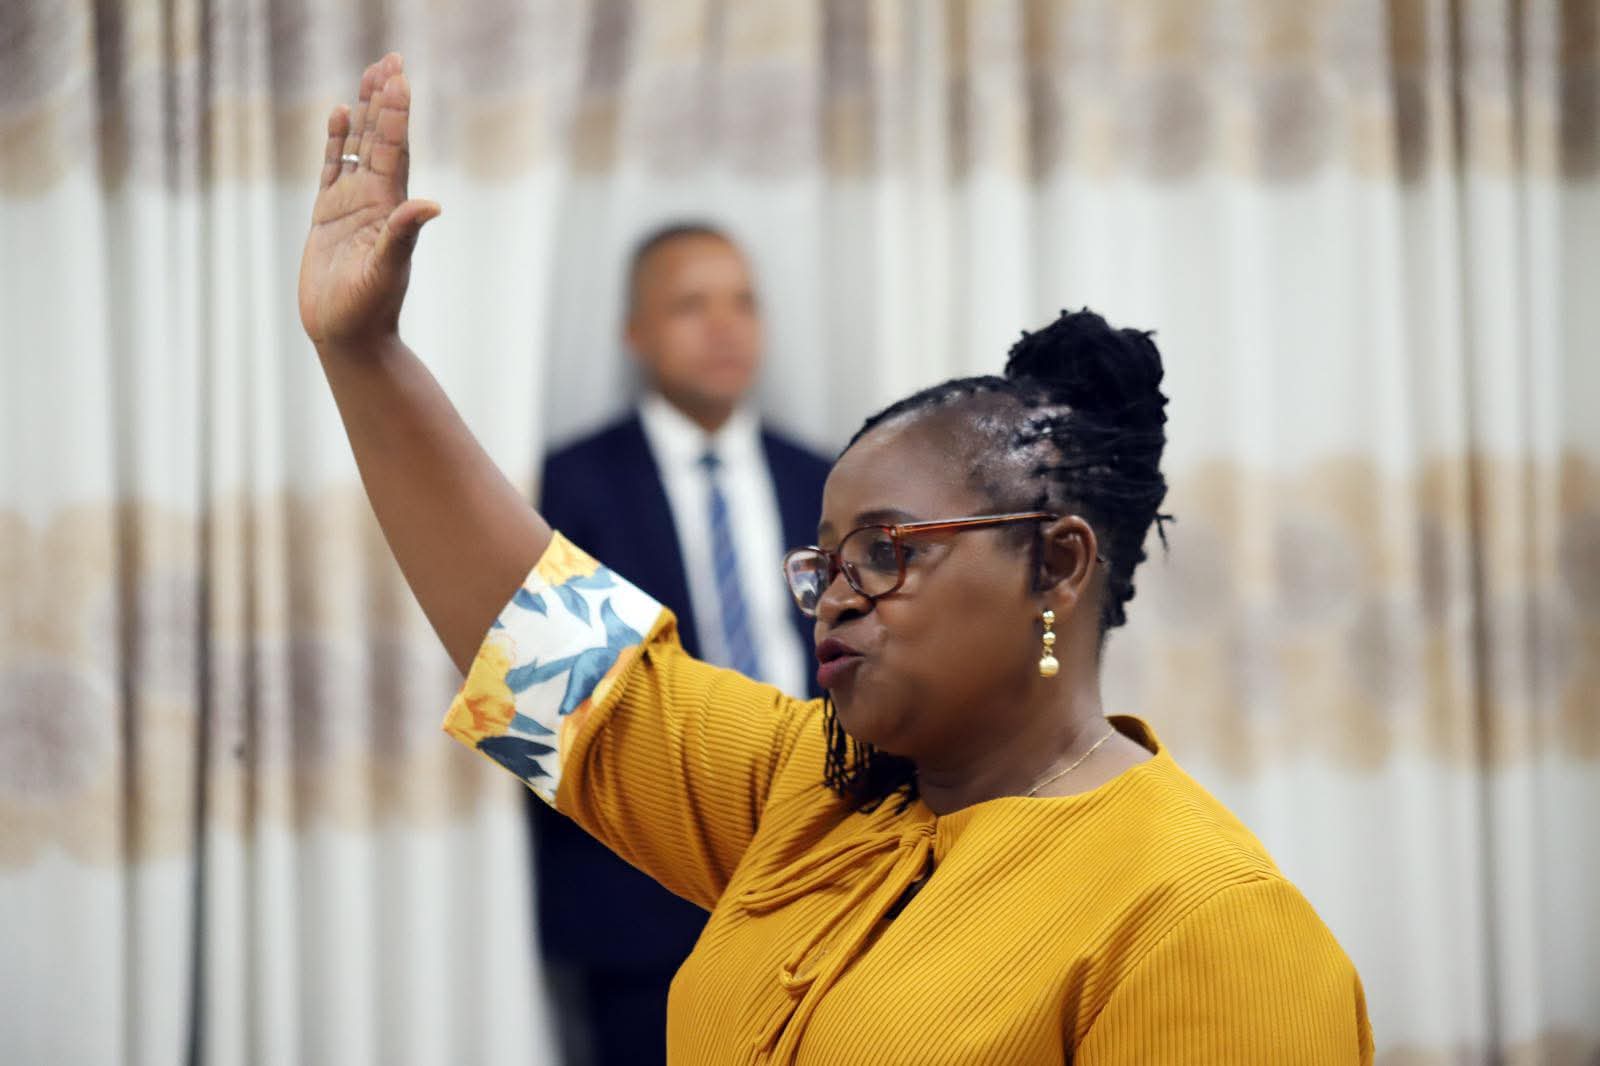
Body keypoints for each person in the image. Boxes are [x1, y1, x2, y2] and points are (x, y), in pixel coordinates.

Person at [299, 54, 1374, 1064]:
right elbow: (543, 650)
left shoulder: (1205, 921)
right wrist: (363, 354)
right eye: (823, 565)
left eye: (885, 552)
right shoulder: (808, 794)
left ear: (1055, 563)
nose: (836, 598)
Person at [533, 223, 829, 1065]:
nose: (725, 327)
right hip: (640, 890)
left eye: (743, 302)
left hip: (819, 870)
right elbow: (555, 700)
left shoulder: (824, 478)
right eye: (691, 305)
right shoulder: (570, 486)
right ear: (636, 333)